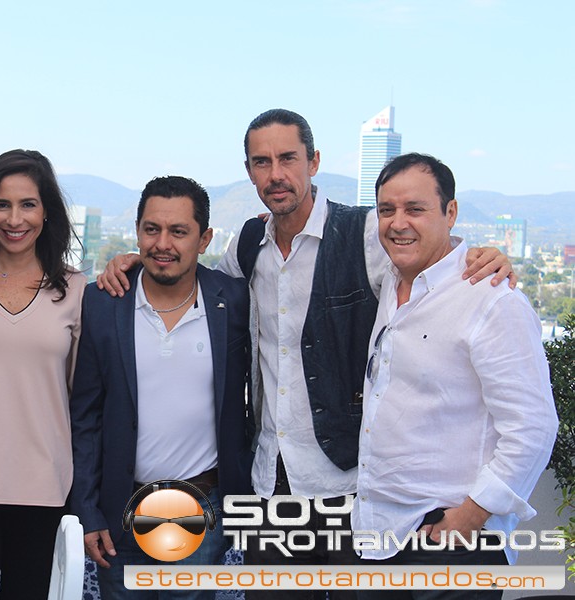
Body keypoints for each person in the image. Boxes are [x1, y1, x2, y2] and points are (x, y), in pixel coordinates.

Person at [98, 109, 515, 599]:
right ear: (249, 171)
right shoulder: (248, 243)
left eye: (288, 158)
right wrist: (136, 263)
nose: (276, 174)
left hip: (354, 486)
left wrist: (481, 255)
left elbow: (428, 255)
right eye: (262, 162)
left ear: (314, 162)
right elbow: (192, 278)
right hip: (270, 485)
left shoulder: (365, 232)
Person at [351, 153, 558, 599]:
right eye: (386, 210)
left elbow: (535, 427)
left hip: (452, 544)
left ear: (451, 212)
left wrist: (471, 517)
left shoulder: (492, 300)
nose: (398, 223)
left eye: (415, 209)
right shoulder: (392, 281)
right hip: (379, 535)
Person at [71, 175, 255, 600]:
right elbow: (86, 417)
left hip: (201, 509)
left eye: (179, 231)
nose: (162, 243)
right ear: (137, 232)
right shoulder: (103, 301)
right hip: (119, 513)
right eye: (152, 229)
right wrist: (87, 509)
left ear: (204, 239)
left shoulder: (233, 301)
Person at [0, 149, 86, 600]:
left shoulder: (77, 290)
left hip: (46, 488)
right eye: (1, 205)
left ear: (47, 213)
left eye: (28, 204)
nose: (14, 219)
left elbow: (82, 397)